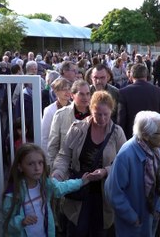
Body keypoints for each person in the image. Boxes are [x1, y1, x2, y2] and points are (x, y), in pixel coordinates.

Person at [52, 91, 127, 237]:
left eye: (106, 114)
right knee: (77, 230)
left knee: (100, 231)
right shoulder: (77, 128)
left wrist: (105, 171)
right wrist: (57, 173)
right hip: (79, 189)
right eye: (98, 114)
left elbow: (123, 164)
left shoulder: (117, 133)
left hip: (104, 194)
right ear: (91, 110)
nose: (102, 118)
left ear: (111, 111)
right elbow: (64, 156)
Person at [105, 111, 160, 237]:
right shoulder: (126, 155)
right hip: (132, 225)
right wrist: (132, 217)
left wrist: (159, 207)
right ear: (146, 135)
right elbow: (113, 191)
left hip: (153, 219)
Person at [1, 143, 90, 237]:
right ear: (20, 167)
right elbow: (6, 223)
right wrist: (21, 221)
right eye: (31, 164)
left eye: (40, 163)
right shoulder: (13, 193)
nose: (37, 168)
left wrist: (81, 182)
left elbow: (61, 187)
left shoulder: (45, 184)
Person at [117, 64, 160, 139]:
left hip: (132, 137)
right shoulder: (158, 91)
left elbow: (121, 119)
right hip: (153, 137)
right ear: (146, 75)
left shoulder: (124, 92)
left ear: (131, 76)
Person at [41, 78, 71, 155]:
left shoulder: (74, 106)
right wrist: (47, 160)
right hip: (56, 152)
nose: (68, 92)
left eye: (69, 89)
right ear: (56, 92)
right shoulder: (49, 110)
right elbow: (45, 136)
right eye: (64, 90)